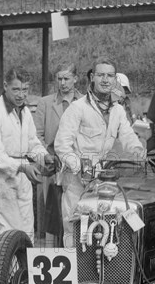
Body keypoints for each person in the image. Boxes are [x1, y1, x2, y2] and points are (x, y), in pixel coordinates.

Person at [55, 56, 146, 246]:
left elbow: (128, 136)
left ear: (115, 80)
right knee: (74, 229)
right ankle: (75, 274)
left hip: (102, 181)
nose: (105, 80)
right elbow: (62, 144)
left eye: (110, 76)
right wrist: (78, 165)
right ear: (92, 78)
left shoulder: (118, 111)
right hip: (76, 182)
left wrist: (138, 151)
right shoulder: (77, 108)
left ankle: (98, 275)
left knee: (101, 230)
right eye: (101, 75)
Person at [0, 68, 53, 276]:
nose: (21, 94)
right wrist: (22, 167)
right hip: (3, 177)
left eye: (25, 90)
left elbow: (32, 143)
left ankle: (19, 277)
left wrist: (44, 157)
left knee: (26, 231)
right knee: (9, 230)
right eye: (16, 89)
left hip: (24, 176)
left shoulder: (24, 111)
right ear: (5, 87)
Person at [34, 62, 83, 247]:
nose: (62, 83)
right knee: (52, 218)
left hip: (78, 169)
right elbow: (36, 135)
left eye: (67, 78)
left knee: (76, 216)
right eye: (59, 79)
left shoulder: (85, 102)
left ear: (75, 79)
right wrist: (46, 156)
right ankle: (50, 254)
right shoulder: (45, 103)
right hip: (52, 167)